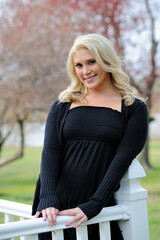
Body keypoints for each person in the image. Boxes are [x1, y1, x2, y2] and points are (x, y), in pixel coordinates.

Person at [32, 33, 148, 240]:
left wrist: (96, 203)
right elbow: (51, 151)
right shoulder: (62, 104)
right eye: (78, 65)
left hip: (94, 209)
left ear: (106, 60)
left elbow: (122, 158)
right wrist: (47, 197)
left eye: (91, 62)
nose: (85, 71)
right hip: (54, 210)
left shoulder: (133, 107)